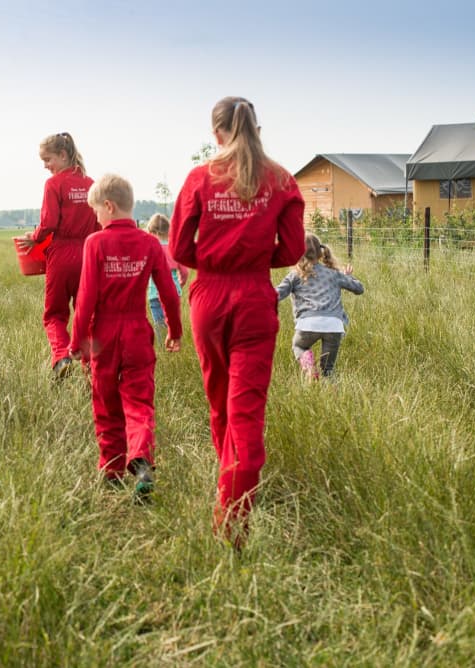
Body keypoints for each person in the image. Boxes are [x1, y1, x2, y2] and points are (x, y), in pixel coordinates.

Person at [168, 97, 305, 548]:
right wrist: (256, 257)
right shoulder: (282, 180)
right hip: (252, 297)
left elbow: (180, 248)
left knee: (219, 404)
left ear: (217, 134)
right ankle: (234, 514)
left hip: (209, 296)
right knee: (245, 411)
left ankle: (230, 500)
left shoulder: (198, 178)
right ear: (257, 129)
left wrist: (214, 258)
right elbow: (292, 250)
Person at [68, 174, 182, 501]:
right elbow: (169, 296)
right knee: (139, 401)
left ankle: (113, 468)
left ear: (108, 206)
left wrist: (77, 343)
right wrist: (174, 331)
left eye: (97, 212)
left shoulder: (95, 243)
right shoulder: (149, 244)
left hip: (102, 334)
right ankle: (142, 457)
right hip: (136, 332)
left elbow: (86, 299)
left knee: (105, 403)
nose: (96, 219)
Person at [16, 132, 99, 380]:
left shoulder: (53, 184)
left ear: (63, 155)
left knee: (54, 315)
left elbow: (49, 222)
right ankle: (92, 369)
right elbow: (99, 224)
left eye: (47, 159)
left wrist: (36, 236)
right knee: (89, 314)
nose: (45, 166)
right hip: (88, 254)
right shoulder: (91, 183)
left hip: (61, 255)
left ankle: (62, 356)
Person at [276, 233, 364, 378]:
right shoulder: (334, 274)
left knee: (299, 346)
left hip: (307, 325)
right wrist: (347, 276)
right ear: (321, 251)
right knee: (328, 370)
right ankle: (331, 393)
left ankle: (309, 367)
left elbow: (276, 294)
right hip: (334, 326)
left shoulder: (295, 275)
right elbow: (359, 289)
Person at [145, 213, 188, 344]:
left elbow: (145, 271)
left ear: (152, 232)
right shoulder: (174, 248)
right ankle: (175, 345)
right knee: (173, 323)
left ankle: (162, 347)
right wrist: (180, 284)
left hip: (154, 294)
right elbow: (184, 272)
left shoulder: (151, 248)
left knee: (159, 325)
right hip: (174, 292)